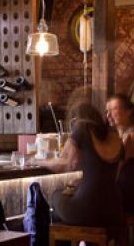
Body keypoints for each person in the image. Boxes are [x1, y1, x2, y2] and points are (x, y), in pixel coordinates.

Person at [48, 96, 124, 228]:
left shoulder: (82, 129)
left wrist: (37, 161)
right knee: (67, 200)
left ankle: (60, 240)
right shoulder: (114, 136)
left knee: (56, 195)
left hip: (88, 209)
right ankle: (82, 241)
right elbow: (112, 175)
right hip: (114, 208)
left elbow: (65, 165)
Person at [106, 94, 134, 214]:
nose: (108, 115)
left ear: (128, 112)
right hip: (130, 194)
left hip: (131, 198)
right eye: (107, 111)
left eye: (114, 109)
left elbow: (115, 169)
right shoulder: (127, 134)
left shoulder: (131, 136)